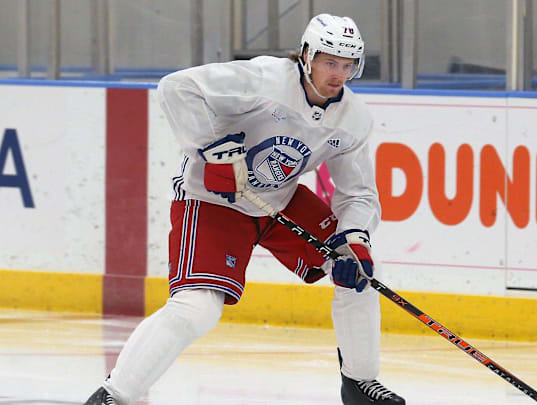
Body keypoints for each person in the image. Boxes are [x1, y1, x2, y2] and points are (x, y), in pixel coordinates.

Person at [84, 13, 405, 405]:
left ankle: (359, 383)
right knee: (196, 309)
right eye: (329, 61)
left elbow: (358, 194)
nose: (338, 73)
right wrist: (210, 147)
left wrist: (355, 237)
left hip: (280, 202)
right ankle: (114, 394)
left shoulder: (353, 120)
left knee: (357, 270)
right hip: (213, 200)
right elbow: (177, 87)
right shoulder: (263, 80)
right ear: (306, 55)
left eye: (347, 64)